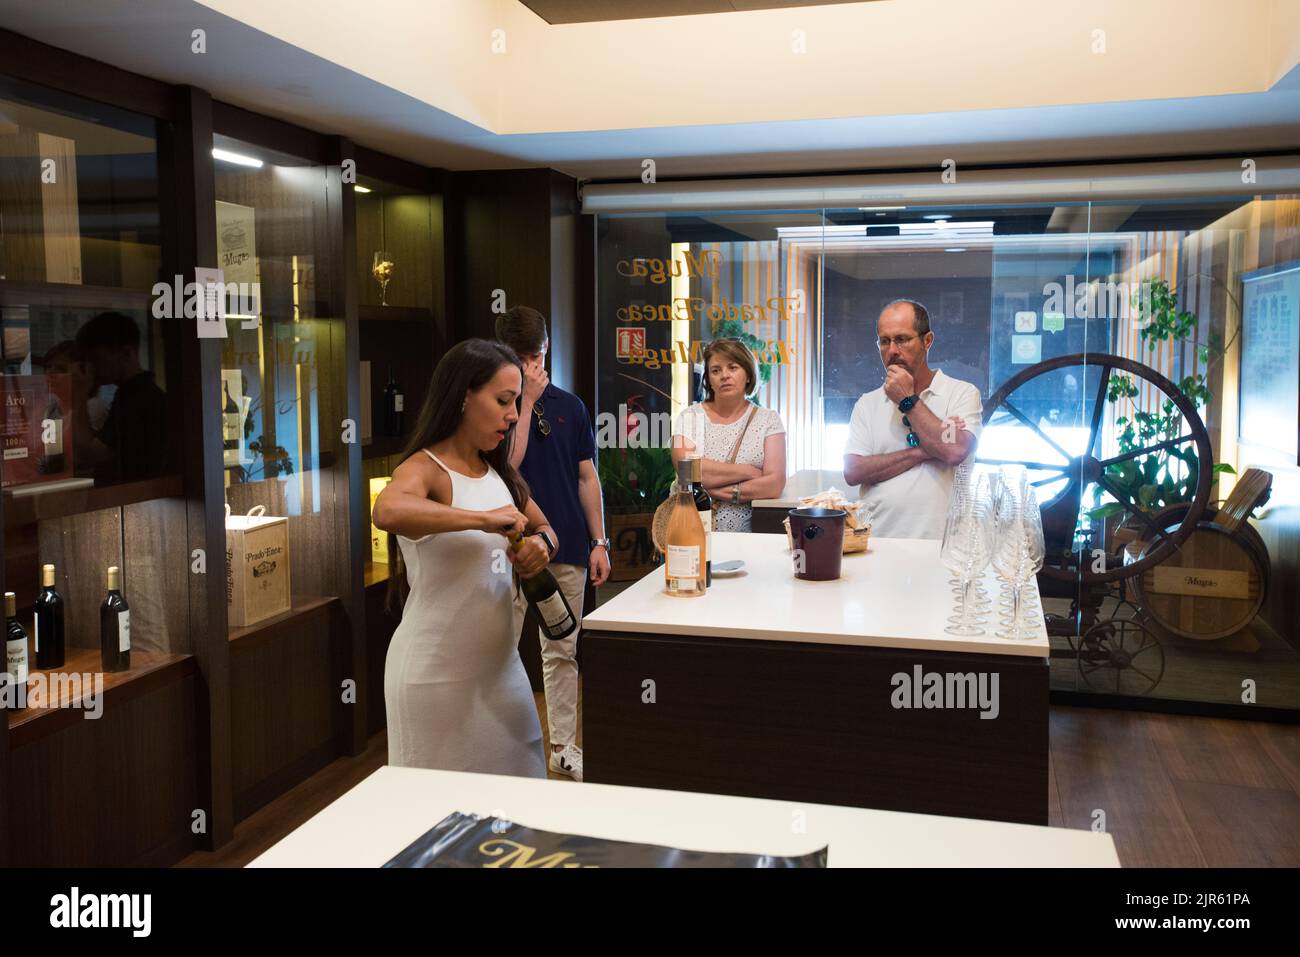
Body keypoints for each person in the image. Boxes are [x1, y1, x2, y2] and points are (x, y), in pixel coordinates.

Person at [372, 338, 555, 778]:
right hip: (434, 677)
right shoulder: (425, 468)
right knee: (436, 820)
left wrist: (540, 548)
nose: (513, 415)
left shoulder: (498, 472)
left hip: (501, 670)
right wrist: (479, 519)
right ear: (463, 397)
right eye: (503, 401)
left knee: (525, 791)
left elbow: (547, 529)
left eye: (516, 403)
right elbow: (387, 510)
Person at [498, 306, 608, 783]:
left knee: (562, 647)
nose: (530, 367)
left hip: (568, 545)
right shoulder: (496, 410)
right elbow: (510, 465)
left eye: (536, 356)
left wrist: (599, 541)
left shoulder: (571, 406)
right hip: (506, 547)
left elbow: (587, 477)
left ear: (547, 352)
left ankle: (564, 746)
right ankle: (501, 746)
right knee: (497, 648)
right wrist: (522, 402)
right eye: (520, 358)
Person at [843, 299, 982, 540]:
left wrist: (908, 400)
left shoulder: (961, 393)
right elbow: (854, 471)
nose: (893, 350)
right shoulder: (868, 403)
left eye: (902, 339)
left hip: (943, 544)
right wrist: (924, 449)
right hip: (879, 542)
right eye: (884, 341)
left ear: (927, 341)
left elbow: (954, 451)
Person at [671, 337, 786, 532]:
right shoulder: (690, 417)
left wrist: (719, 490)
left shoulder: (768, 420)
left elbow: (774, 484)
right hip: (690, 529)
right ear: (709, 380)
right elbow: (688, 473)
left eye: (733, 368)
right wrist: (748, 471)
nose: (724, 375)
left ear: (748, 374)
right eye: (716, 370)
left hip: (746, 534)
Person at [72, 311, 171, 484]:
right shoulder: (133, 394)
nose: (92, 367)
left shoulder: (138, 399)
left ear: (126, 353)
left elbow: (88, 454)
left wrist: (78, 393)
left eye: (96, 358)